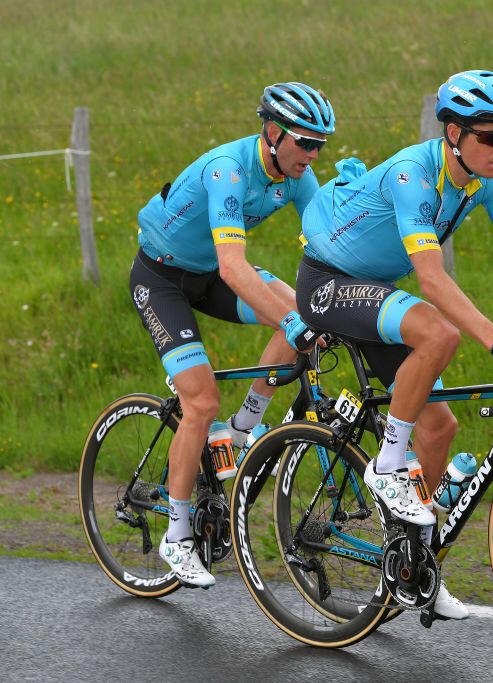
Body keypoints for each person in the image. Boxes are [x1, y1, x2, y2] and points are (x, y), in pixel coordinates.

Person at [297, 69, 493, 620]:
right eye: (490, 136)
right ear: (453, 134)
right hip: (327, 282)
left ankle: (413, 564)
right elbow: (433, 280)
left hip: (372, 289)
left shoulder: (488, 179)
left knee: (442, 425)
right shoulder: (413, 177)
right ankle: (386, 464)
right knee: (438, 331)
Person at [130, 82, 335, 587]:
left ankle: (243, 430)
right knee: (200, 403)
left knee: (309, 308)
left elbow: (334, 240)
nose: (312, 155)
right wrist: (294, 323)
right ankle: (176, 535)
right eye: (304, 143)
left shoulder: (295, 175)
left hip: (209, 274)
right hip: (162, 280)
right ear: (272, 133)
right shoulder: (229, 170)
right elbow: (233, 266)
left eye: (320, 145)